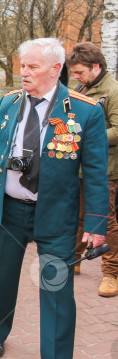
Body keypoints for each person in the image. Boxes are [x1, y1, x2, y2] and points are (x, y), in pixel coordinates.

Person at [0, 38, 108, 359]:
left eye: (31, 66)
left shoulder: (85, 111)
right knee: (2, 277)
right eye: (22, 64)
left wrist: (95, 224)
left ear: (55, 69)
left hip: (56, 218)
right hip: (9, 211)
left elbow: (94, 172)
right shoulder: (8, 103)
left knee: (57, 291)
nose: (23, 72)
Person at [67, 42, 118, 297]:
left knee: (105, 220)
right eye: (74, 73)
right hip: (79, 165)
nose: (76, 77)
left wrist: (84, 137)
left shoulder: (113, 90)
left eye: (79, 72)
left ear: (96, 66)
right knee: (77, 214)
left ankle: (111, 273)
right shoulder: (82, 88)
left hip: (104, 169)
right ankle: (73, 261)